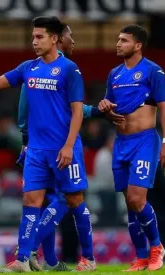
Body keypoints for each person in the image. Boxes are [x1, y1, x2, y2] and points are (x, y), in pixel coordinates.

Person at [0, 16, 91, 272]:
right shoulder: (28, 67)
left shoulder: (69, 69)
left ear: (54, 39)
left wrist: (68, 145)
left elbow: (77, 112)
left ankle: (89, 259)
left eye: (40, 36)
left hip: (64, 148)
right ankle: (22, 260)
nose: (34, 41)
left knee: (74, 200)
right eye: (33, 37)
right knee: (31, 201)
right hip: (36, 151)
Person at [15, 23, 124, 271]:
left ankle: (44, 257)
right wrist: (25, 140)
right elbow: (25, 108)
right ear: (58, 39)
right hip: (42, 146)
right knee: (58, 199)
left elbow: (74, 109)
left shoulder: (65, 70)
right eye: (70, 36)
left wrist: (97, 111)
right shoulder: (37, 69)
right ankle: (41, 255)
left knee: (56, 200)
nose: (73, 40)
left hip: (54, 145)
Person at [98, 24, 165, 271]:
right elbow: (111, 107)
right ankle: (141, 257)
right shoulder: (114, 74)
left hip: (144, 140)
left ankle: (156, 247)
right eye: (118, 40)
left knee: (137, 199)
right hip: (121, 143)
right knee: (129, 203)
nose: (118, 44)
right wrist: (106, 110)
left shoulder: (153, 71)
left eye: (124, 40)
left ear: (138, 45)